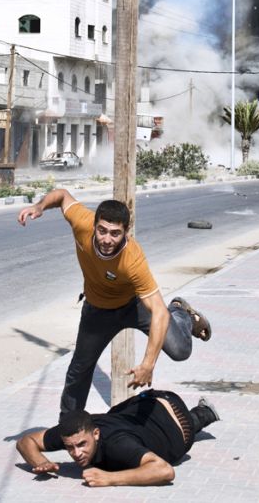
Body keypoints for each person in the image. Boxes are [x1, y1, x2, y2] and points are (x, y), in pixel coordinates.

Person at [18, 190, 212, 418]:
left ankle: (181, 312)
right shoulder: (82, 223)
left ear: (126, 233)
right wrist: (40, 206)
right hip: (97, 310)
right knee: (79, 371)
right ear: (95, 224)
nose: (106, 239)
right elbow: (61, 196)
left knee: (180, 351)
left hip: (134, 305)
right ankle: (69, 427)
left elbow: (158, 311)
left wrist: (148, 364)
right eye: (102, 230)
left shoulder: (133, 259)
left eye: (115, 233)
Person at [16, 390, 221, 487]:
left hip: (177, 426)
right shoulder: (74, 431)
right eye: (70, 448)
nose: (76, 453)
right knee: (117, 412)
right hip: (141, 409)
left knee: (179, 435)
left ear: (96, 434)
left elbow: (165, 471)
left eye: (82, 445)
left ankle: (202, 414)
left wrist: (110, 478)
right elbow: (26, 441)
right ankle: (204, 412)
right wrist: (40, 462)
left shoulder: (117, 444)